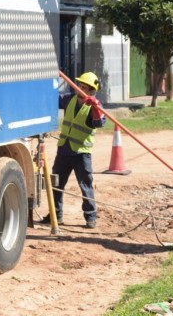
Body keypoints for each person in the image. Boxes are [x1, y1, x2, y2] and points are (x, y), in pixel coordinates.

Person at [42, 72, 106, 229]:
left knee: (85, 186)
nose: (79, 88)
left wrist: (95, 106)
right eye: (79, 85)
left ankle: (90, 217)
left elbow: (99, 123)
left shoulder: (94, 106)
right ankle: (55, 215)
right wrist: (47, 83)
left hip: (81, 153)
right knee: (56, 183)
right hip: (64, 150)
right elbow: (53, 98)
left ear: (91, 90)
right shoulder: (69, 99)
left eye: (83, 87)